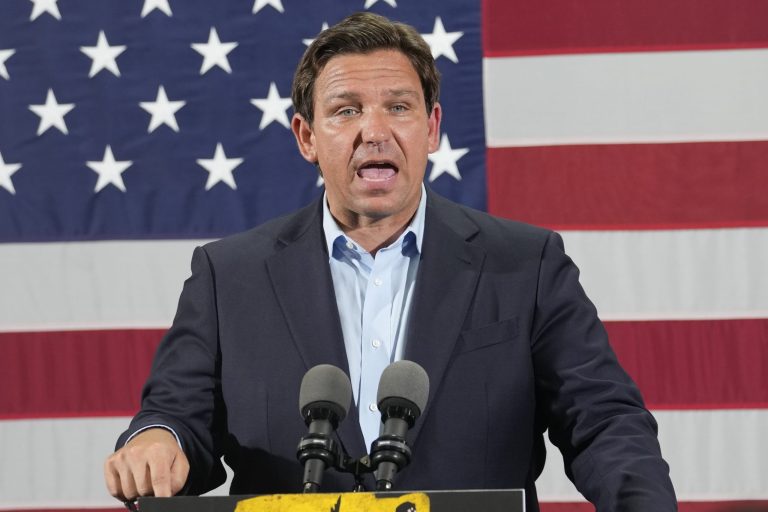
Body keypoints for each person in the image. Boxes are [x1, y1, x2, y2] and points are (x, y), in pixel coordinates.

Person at [104, 12, 677, 511]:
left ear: (430, 128)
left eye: (398, 107)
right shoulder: (228, 276)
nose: (373, 132)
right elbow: (177, 418)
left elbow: (604, 422)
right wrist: (159, 442)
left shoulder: (526, 264)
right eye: (346, 110)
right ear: (307, 136)